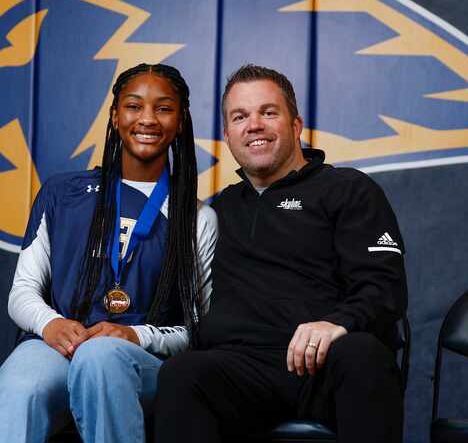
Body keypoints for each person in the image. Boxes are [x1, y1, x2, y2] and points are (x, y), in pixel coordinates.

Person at [155, 65, 407, 443]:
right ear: (228, 135)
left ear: (295, 125)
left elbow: (385, 287)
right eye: (240, 117)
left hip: (322, 365)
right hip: (242, 370)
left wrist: (335, 323)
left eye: (268, 112)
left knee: (363, 354)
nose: (253, 125)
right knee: (182, 373)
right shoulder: (219, 209)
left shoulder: (348, 190)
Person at [0, 63, 217, 443]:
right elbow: (22, 292)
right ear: (115, 115)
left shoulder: (197, 218)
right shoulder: (62, 194)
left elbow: (198, 330)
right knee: (24, 384)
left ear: (181, 121)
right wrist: (50, 324)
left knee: (100, 357)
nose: (148, 119)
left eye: (164, 108)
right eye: (134, 106)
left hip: (141, 364)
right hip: (57, 345)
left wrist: (135, 336)